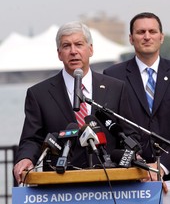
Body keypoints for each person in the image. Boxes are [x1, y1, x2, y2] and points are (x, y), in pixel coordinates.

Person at [13, 21, 139, 184]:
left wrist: (136, 155)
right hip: (60, 185)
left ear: (90, 49)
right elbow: (32, 139)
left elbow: (128, 133)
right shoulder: (39, 94)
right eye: (66, 46)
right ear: (59, 53)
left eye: (79, 44)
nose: (73, 51)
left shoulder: (115, 88)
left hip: (109, 183)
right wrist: (25, 158)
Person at [103, 12, 170, 204]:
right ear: (131, 38)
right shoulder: (112, 76)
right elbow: (110, 126)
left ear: (161, 37)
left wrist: (162, 167)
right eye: (140, 32)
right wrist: (137, 163)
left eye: (152, 31)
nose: (147, 36)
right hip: (130, 175)